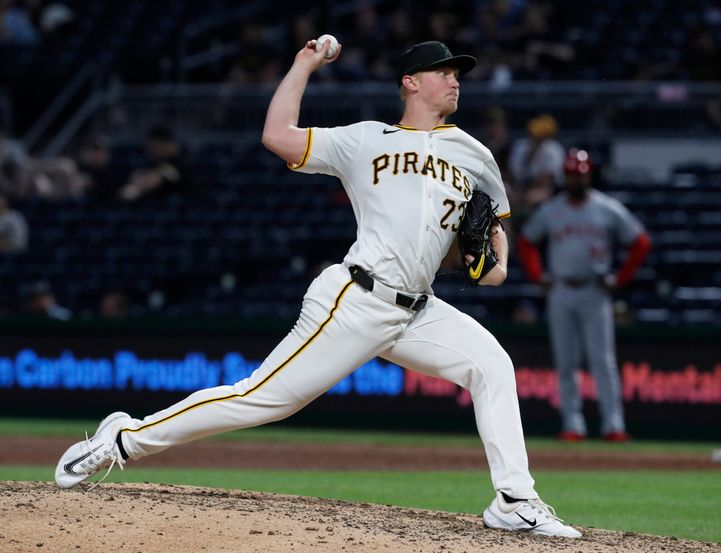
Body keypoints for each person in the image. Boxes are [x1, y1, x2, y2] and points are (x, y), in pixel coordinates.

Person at [54, 39, 581, 539]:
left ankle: (513, 502)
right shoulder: (366, 138)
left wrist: (492, 260)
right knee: (262, 399)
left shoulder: (474, 153)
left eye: (458, 74)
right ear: (410, 82)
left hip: (419, 310)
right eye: (442, 71)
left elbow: (493, 248)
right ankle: (121, 440)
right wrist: (304, 65)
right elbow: (278, 135)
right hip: (355, 301)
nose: (454, 80)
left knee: (492, 365)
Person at [517, 149, 651, 442]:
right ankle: (572, 424)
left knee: (602, 361)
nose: (576, 179)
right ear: (565, 177)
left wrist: (621, 278)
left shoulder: (606, 208)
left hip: (595, 290)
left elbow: (640, 242)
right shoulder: (552, 209)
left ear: (589, 175)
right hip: (562, 289)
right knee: (566, 362)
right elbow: (527, 240)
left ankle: (613, 424)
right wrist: (538, 276)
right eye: (572, 175)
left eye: (581, 174)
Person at [118, 126, 190, 202]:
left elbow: (158, 178)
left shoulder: (182, 161)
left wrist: (136, 188)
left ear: (166, 143)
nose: (150, 149)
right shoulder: (151, 161)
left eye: (155, 145)